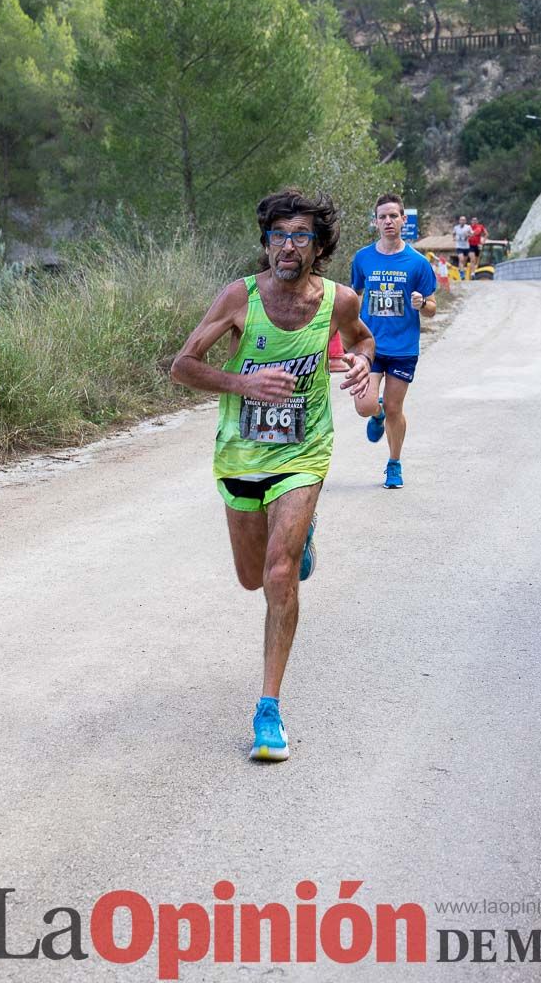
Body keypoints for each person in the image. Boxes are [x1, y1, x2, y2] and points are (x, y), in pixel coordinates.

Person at [171, 190, 374, 763]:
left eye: (301, 236)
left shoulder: (340, 300)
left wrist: (361, 361)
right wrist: (244, 384)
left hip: (304, 453)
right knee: (251, 577)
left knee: (280, 573)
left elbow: (361, 338)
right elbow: (182, 366)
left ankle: (268, 708)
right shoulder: (239, 297)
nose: (289, 246)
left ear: (319, 246)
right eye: (279, 235)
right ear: (266, 243)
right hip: (240, 456)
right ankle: (298, 537)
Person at [351, 193, 437, 490]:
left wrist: (422, 303)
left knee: (394, 407)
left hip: (402, 348)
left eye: (393, 216)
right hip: (369, 346)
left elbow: (432, 308)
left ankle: (394, 463)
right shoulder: (363, 258)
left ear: (403, 220)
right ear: (375, 222)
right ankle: (376, 416)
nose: (388, 221)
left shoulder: (418, 263)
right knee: (364, 405)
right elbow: (355, 298)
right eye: (382, 216)